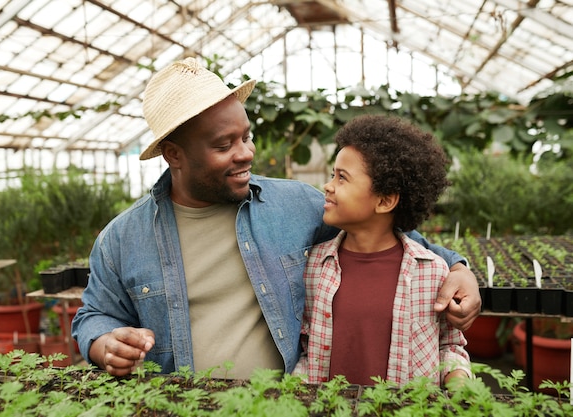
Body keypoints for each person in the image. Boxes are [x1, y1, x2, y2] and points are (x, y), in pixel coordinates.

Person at [72, 57, 480, 379]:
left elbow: (385, 232)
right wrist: (104, 342)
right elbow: (93, 316)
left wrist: (457, 266)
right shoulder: (122, 239)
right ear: (174, 154)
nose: (246, 152)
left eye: (246, 136)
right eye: (224, 145)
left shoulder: (296, 205)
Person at [293, 115, 472, 386]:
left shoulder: (432, 271)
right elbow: (306, 348)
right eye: (333, 175)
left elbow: (449, 345)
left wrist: (458, 378)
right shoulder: (314, 266)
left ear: (385, 200)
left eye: (342, 178)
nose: (328, 186)